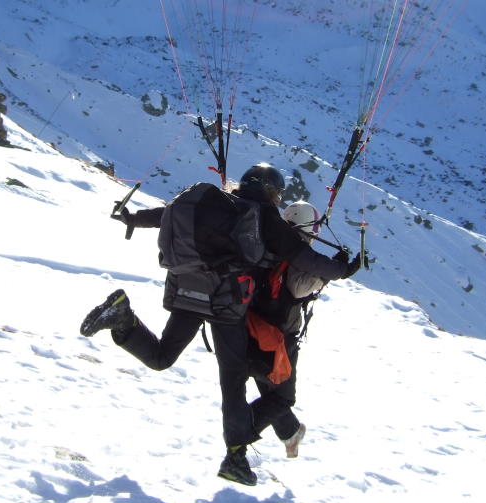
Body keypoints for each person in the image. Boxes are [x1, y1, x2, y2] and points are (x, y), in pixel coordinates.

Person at [80, 164, 361, 485]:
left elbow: (166, 214)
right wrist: (344, 269)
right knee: (234, 382)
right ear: (271, 191)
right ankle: (235, 459)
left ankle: (123, 318)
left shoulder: (219, 203)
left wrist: (133, 218)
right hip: (226, 300)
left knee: (161, 357)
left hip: (187, 285)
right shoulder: (265, 216)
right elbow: (303, 258)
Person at [246, 200, 333, 460]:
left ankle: (290, 432)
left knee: (267, 385)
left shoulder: (270, 243)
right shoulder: (298, 258)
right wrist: (329, 271)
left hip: (253, 325)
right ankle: (239, 428)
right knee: (282, 396)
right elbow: (300, 289)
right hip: (281, 337)